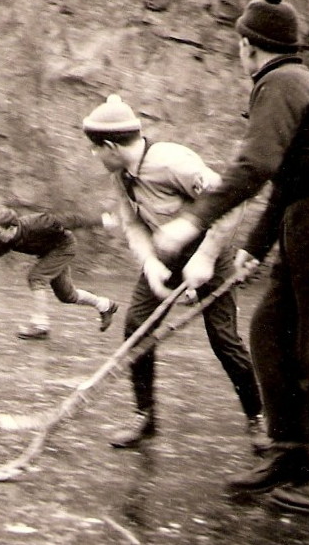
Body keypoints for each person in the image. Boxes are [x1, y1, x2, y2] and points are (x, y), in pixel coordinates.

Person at [151, 0, 309, 513]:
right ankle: (292, 451)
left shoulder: (279, 82)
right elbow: (282, 176)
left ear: (249, 44)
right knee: (270, 331)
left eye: (238, 42)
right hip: (308, 213)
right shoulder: (292, 82)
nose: (237, 51)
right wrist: (255, 246)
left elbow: (255, 166)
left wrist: (191, 220)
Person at [81, 94, 267, 454]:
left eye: (94, 149)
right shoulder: (120, 174)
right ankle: (144, 416)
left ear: (110, 146)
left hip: (209, 253)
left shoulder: (173, 162)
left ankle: (256, 419)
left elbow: (234, 201)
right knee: (136, 327)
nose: (93, 156)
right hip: (165, 258)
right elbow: (132, 223)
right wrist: (149, 263)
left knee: (224, 342)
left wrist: (207, 257)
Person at [0, 208, 119, 340]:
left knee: (36, 278)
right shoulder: (3, 242)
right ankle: (105, 305)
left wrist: (101, 220)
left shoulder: (38, 223)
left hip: (64, 247)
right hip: (49, 254)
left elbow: (71, 219)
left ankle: (40, 326)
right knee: (67, 295)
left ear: (12, 228)